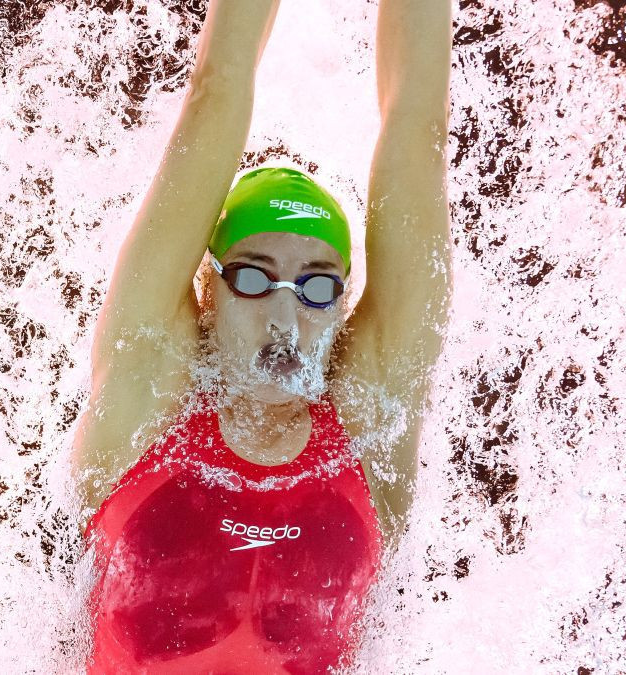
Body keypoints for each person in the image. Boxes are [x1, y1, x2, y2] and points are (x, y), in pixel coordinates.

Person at [71, 0, 452, 672]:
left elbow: (417, 131)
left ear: (341, 308)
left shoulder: (367, 427)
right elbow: (215, 90)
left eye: (316, 285)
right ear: (207, 292)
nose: (286, 314)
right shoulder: (148, 402)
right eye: (254, 277)